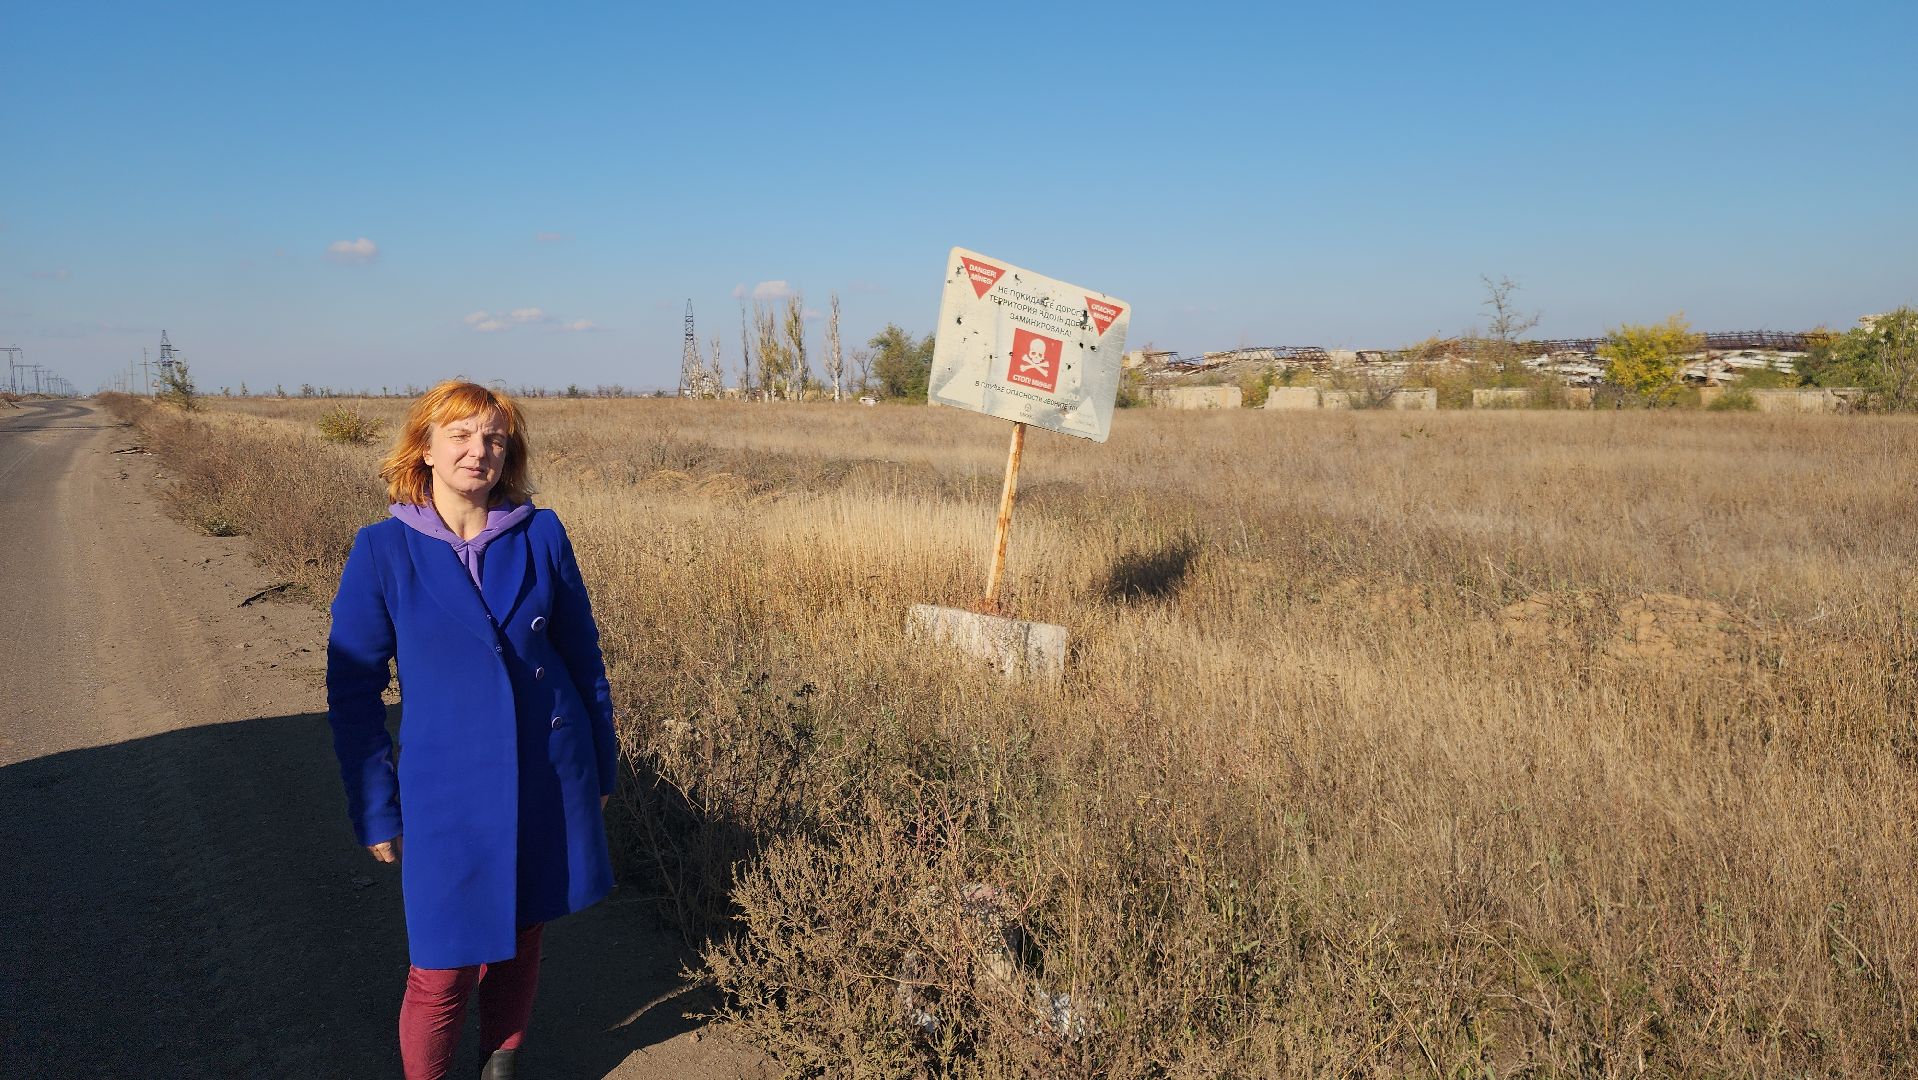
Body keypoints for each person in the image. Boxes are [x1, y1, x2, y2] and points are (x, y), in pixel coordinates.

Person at [326, 380, 619, 1080]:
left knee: (521, 940)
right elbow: (354, 692)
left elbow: (584, 661)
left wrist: (600, 770)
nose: (477, 451)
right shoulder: (382, 552)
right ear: (424, 449)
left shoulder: (541, 534)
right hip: (444, 792)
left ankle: (500, 1069)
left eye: (492, 438)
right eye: (459, 435)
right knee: (440, 968)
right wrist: (375, 807)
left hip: (545, 772)